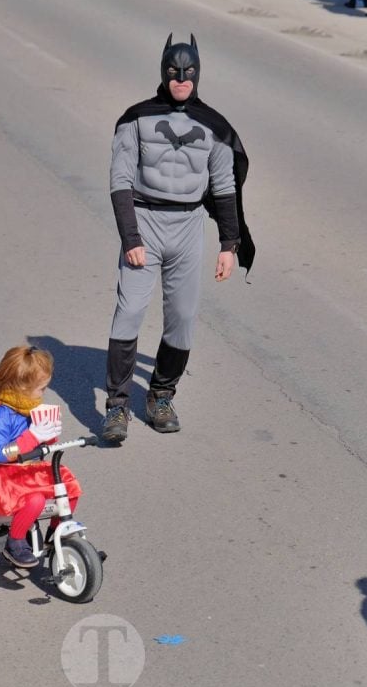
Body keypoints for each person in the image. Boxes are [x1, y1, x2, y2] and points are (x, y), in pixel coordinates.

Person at [101, 34, 254, 443]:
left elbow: (224, 186)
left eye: (188, 73)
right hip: (145, 222)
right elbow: (119, 180)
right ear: (163, 73)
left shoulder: (215, 127)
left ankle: (161, 395)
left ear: (198, 75)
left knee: (183, 318)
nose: (181, 79)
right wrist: (130, 235)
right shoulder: (136, 119)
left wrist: (229, 244)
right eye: (174, 72)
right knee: (129, 311)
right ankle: (117, 406)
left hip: (187, 227)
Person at [0, 346, 80, 568]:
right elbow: (1, 454)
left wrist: (47, 435)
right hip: (1, 475)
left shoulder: (29, 408)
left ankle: (56, 533)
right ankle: (15, 540)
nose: (43, 393)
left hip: (26, 469)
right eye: (41, 388)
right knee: (35, 500)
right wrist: (32, 436)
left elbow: (37, 443)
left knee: (69, 487)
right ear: (21, 387)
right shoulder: (0, 416)